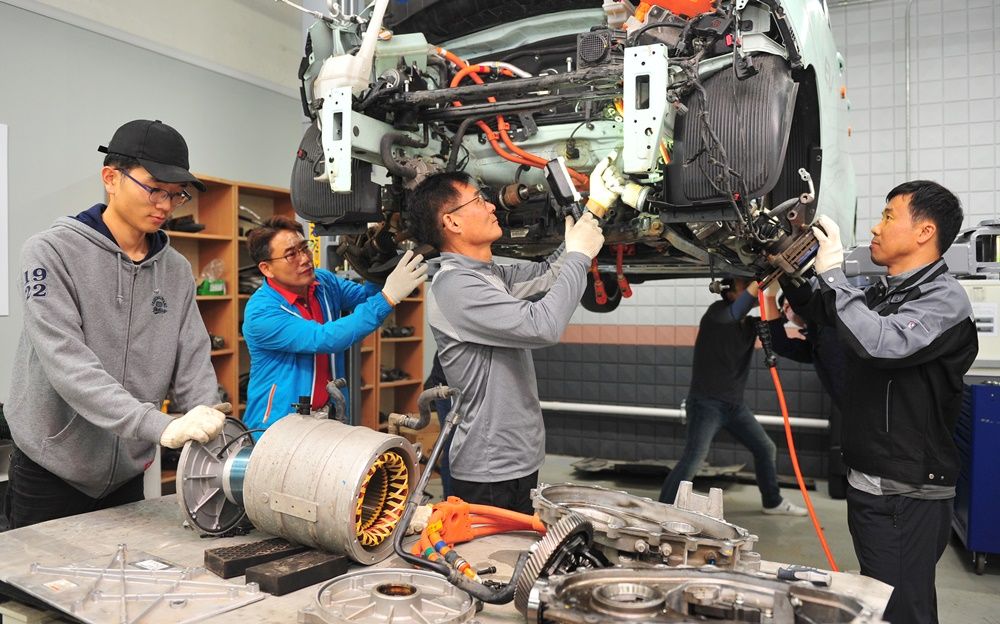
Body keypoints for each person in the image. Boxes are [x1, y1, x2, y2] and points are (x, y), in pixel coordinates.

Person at [3, 119, 227, 529]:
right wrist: (158, 426)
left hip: (126, 472)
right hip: (51, 468)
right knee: (39, 572)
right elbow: (68, 365)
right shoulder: (50, 252)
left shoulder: (176, 270)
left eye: (176, 194)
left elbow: (193, 360)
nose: (165, 205)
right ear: (111, 178)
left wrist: (211, 430)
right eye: (154, 188)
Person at [783, 183, 977, 624]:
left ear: (925, 231)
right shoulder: (889, 293)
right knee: (886, 601)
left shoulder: (944, 300)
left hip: (904, 492)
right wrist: (791, 268)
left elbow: (881, 343)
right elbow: (823, 312)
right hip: (874, 483)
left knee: (900, 610)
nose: (876, 227)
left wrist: (835, 273)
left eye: (888, 216)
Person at [408, 158, 616, 514]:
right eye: (478, 200)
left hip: (519, 458)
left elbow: (549, 273)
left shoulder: (488, 274)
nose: (492, 206)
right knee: (491, 552)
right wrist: (581, 255)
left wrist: (595, 206)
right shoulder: (455, 286)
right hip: (488, 470)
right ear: (452, 222)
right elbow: (543, 325)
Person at [242, 216, 426, 434]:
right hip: (277, 427)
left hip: (327, 418)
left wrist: (376, 266)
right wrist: (387, 297)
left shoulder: (323, 282)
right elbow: (323, 338)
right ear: (266, 268)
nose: (305, 259)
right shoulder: (261, 312)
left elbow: (365, 298)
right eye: (291, 254)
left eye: (304, 248)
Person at [658, 277, 808, 516]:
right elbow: (737, 310)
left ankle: (772, 502)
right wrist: (761, 281)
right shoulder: (716, 314)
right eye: (744, 286)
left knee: (765, 448)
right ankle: (663, 509)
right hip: (706, 404)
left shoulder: (748, 324)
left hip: (734, 407)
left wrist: (785, 306)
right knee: (694, 458)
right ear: (729, 293)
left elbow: (773, 322)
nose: (751, 290)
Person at [762, 290, 850, 498]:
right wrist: (768, 297)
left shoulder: (831, 329)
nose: (788, 310)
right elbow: (781, 345)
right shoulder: (816, 343)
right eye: (784, 309)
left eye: (789, 304)